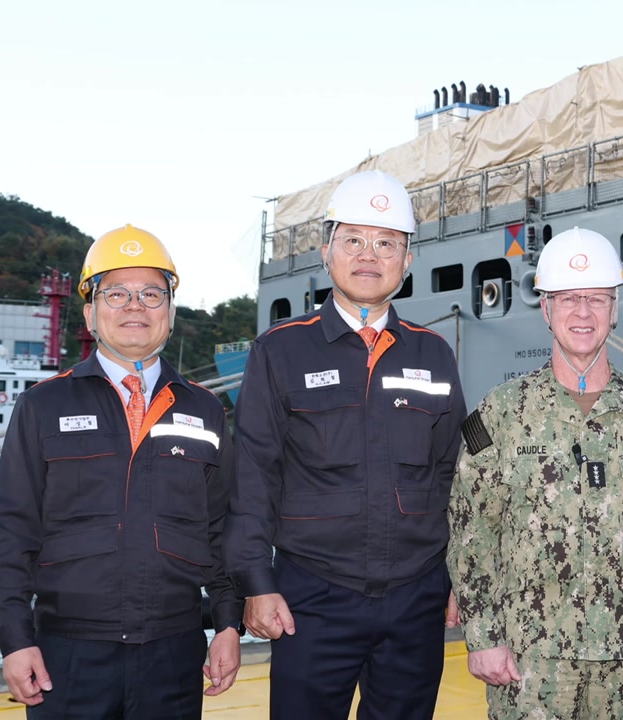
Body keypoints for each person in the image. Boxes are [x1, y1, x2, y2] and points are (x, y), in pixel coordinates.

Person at [224, 170, 466, 720]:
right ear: (327, 251)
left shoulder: (433, 355)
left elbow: (454, 475)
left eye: (386, 243)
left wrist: (456, 578)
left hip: (416, 597)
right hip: (312, 598)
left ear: (407, 262)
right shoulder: (280, 351)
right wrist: (256, 584)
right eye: (353, 239)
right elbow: (253, 478)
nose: (368, 255)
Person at [448, 227, 623, 720]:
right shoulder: (501, 414)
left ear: (615, 308)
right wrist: (482, 636)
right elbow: (472, 535)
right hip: (527, 667)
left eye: (596, 299)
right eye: (568, 299)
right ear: (545, 309)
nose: (583, 313)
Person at [0, 225, 241, 718]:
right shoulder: (42, 405)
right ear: (90, 312)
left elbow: (221, 528)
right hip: (67, 653)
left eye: (150, 294)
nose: (134, 306)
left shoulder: (205, 409)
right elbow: (12, 532)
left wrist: (227, 623)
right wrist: (15, 640)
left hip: (173, 651)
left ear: (169, 311)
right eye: (116, 294)